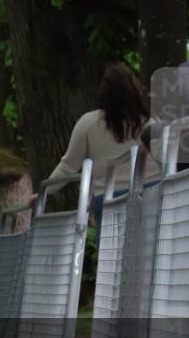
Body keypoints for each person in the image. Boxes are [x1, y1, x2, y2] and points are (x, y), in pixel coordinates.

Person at [46, 63, 160, 242]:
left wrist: (44, 192)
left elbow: (68, 166)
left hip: (109, 201)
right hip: (151, 195)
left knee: (110, 264)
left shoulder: (88, 123)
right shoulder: (150, 123)